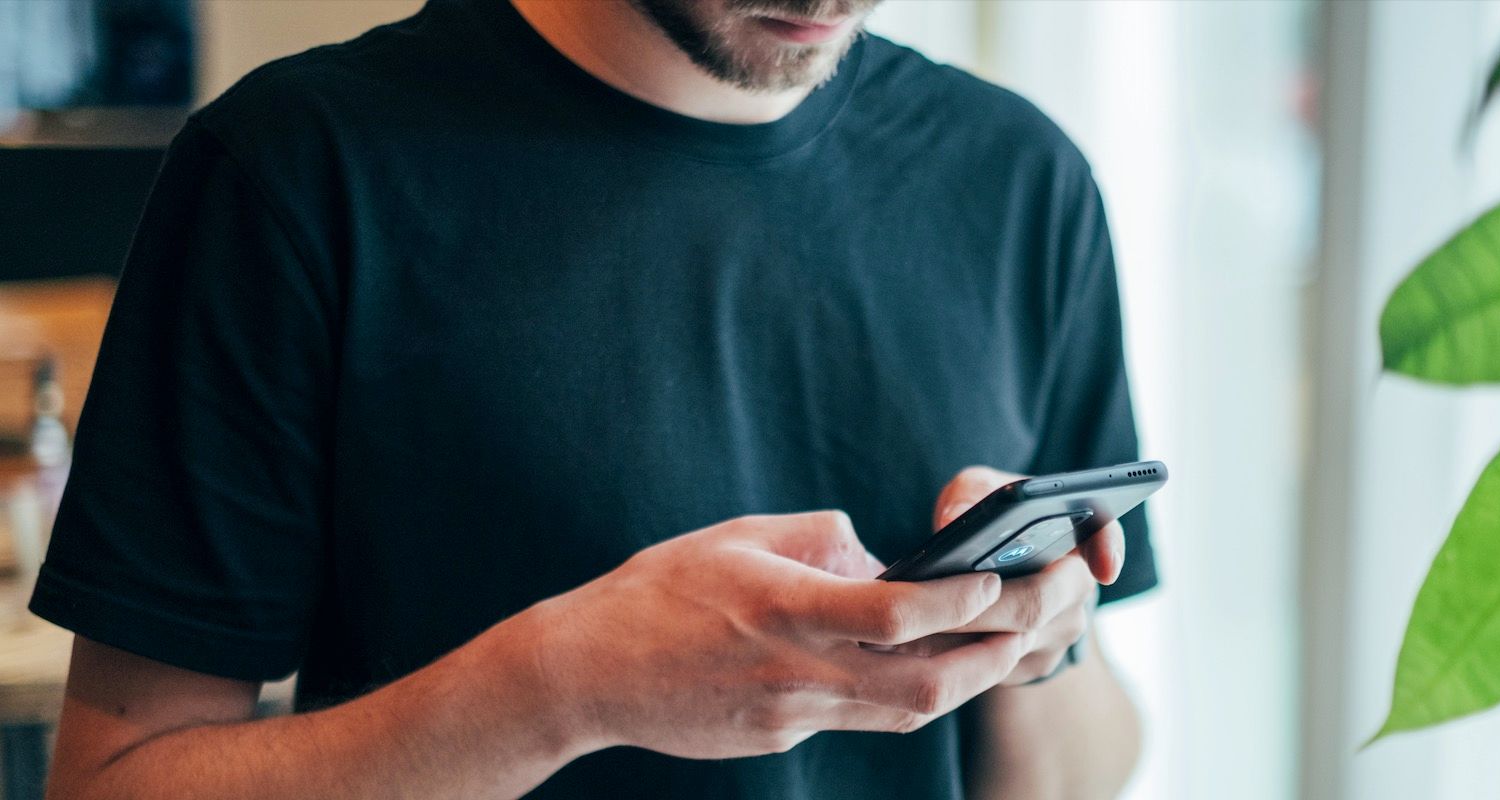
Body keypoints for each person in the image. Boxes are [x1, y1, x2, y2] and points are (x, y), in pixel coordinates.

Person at [29, 0, 1158, 797]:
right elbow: (115, 782)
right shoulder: (292, 172)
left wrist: (1035, 647)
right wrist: (562, 688)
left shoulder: (1022, 179)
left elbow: (1082, 771)